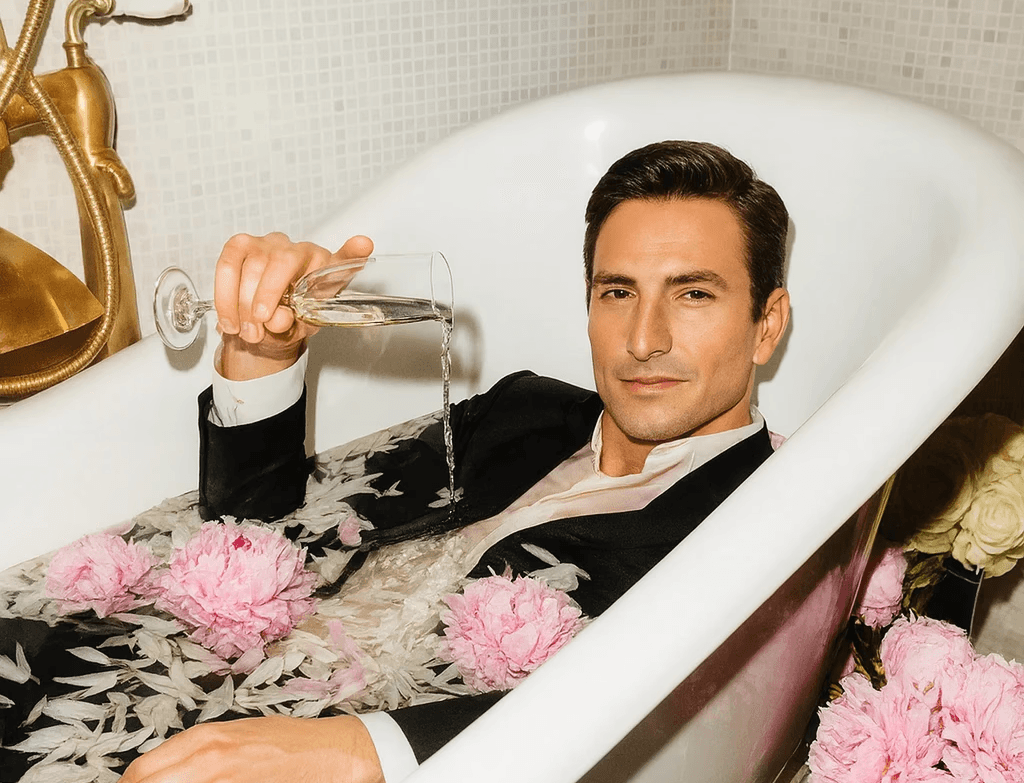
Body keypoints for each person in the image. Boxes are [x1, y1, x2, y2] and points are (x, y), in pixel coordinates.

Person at [111, 139, 789, 782]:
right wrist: (264, 356)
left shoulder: (771, 515)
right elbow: (264, 527)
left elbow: (652, 715)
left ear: (767, 322)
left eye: (693, 293)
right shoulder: (524, 410)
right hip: (182, 686)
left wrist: (362, 750)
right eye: (618, 291)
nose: (644, 338)